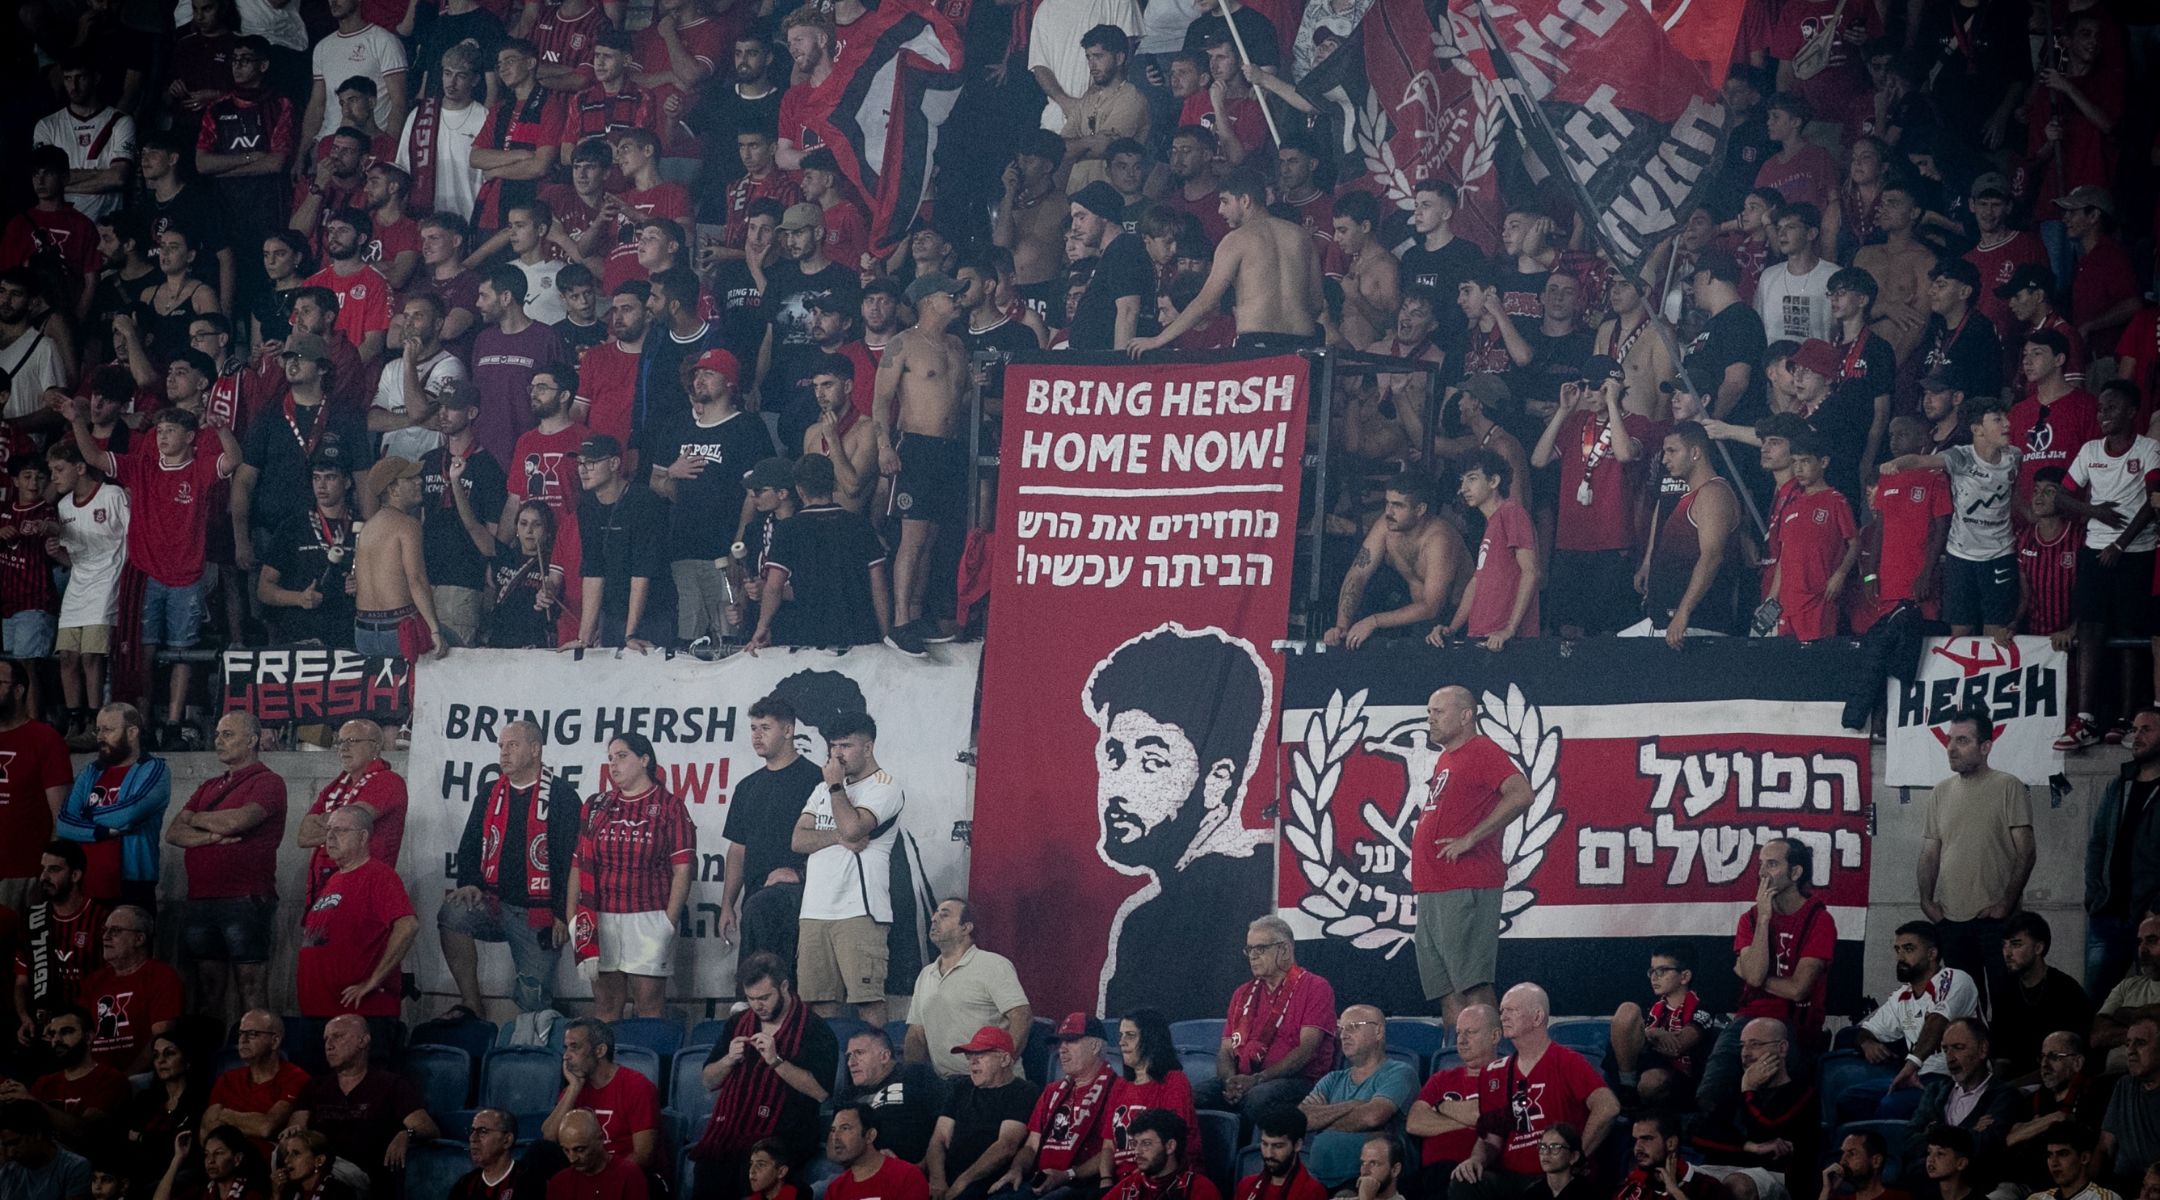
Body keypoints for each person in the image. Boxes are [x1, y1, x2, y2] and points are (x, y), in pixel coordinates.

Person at [1406, 685, 1530, 1031]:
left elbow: (1521, 794)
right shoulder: (1447, 757)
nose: (1430, 719)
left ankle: (1491, 1071)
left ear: (1466, 716)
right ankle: (1462, 1071)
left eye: (1438, 712)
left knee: (1472, 983)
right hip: (1435, 886)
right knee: (1446, 990)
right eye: (1429, 712)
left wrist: (1472, 837)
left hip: (1467, 881)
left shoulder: (1482, 750)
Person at [441, 718, 579, 1018]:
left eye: (512, 745)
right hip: (492, 903)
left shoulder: (562, 796)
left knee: (533, 1004)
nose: (503, 753)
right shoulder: (490, 792)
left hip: (537, 914)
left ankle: (545, 1031)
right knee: (452, 913)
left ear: (535, 749)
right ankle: (471, 1003)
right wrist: (470, 882)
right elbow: (470, 844)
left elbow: (571, 861)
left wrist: (561, 913)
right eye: (501, 746)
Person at [643, 347, 776, 649]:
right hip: (683, 548)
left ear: (730, 382)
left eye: (709, 373)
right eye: (697, 374)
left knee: (730, 630)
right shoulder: (677, 425)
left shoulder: (747, 427)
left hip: (725, 549)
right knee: (689, 635)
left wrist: (738, 546)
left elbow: (753, 493)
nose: (700, 379)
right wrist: (672, 474)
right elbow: (654, 481)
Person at [866, 274, 969, 654]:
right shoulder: (903, 343)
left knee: (931, 539)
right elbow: (880, 400)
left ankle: (916, 613)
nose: (959, 300)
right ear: (928, 301)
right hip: (916, 447)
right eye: (951, 294)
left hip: (949, 449)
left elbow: (964, 399)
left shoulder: (957, 346)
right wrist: (884, 447)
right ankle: (900, 622)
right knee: (912, 538)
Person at [1697, 839, 1834, 1115]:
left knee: (1771, 1096)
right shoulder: (1751, 918)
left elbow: (1797, 989)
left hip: (1793, 1021)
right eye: (1760, 864)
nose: (1761, 873)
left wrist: (1751, 975)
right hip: (1747, 1018)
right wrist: (1764, 918)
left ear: (1795, 873)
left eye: (1771, 864)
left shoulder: (1819, 920)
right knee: (1711, 1093)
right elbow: (1756, 973)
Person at [689, 953, 839, 1200]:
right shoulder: (738, 1022)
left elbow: (820, 1091)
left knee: (758, 1165)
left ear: (784, 986)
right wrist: (728, 1060)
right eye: (751, 999)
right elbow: (708, 1080)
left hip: (783, 1137)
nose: (758, 1006)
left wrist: (776, 1061)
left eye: (765, 998)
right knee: (708, 1168)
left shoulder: (815, 1030)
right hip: (731, 1132)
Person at [1449, 984, 1618, 1200]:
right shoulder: (1494, 1073)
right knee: (1464, 1182)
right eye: (1502, 1011)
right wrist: (1476, 1160)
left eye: (1512, 1010)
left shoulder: (1567, 1061)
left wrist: (1576, 1158)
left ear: (1537, 1017)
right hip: (1512, 1177)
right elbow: (1491, 1139)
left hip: (1555, 1178)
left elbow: (1608, 1107)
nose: (1503, 1017)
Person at [2059, 386, 2159, 751]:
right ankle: (2085, 718)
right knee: (2090, 628)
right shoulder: (2089, 451)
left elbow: (2154, 500)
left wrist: (2122, 543)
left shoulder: (2149, 449)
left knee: (2131, 631)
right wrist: (2094, 512)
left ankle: (2126, 717)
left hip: (2136, 552)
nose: (2103, 413)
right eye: (2100, 407)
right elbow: (2062, 494)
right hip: (2094, 551)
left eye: (2112, 407)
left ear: (2132, 410)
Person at [568, 733, 693, 1020]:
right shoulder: (596, 805)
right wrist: (575, 918)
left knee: (649, 1006)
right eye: (610, 758)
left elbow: (683, 870)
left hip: (649, 916)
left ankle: (645, 1064)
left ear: (644, 760)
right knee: (606, 1005)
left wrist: (668, 923)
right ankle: (607, 1062)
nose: (613, 764)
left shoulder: (670, 806)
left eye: (622, 756)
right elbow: (578, 864)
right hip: (601, 917)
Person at [792, 710, 904, 1026]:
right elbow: (798, 840)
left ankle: (875, 1072)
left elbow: (855, 829)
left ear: (868, 747)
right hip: (815, 909)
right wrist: (838, 835)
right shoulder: (822, 789)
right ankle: (831, 1071)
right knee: (820, 1004)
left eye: (846, 746)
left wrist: (837, 789)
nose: (837, 755)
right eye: (833, 747)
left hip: (860, 909)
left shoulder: (885, 785)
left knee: (867, 1002)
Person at [1878, 399, 2022, 642]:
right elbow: (1920, 461)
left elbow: (2014, 494)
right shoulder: (1961, 457)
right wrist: (1896, 464)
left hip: (2000, 553)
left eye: (2005, 418)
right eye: (1998, 420)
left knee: (1996, 631)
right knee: (1960, 631)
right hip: (1961, 556)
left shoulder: (2015, 457)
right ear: (1977, 429)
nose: (2007, 424)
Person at [1132, 170, 1322, 351]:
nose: (1220, 210)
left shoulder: (1236, 239)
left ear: (1245, 200)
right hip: (1303, 343)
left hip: (1258, 343)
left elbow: (1206, 301)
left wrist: (1159, 339)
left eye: (1225, 201)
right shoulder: (1301, 236)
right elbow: (1316, 303)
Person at [1920, 706, 2037, 999]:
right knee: (1964, 1008)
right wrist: (1926, 901)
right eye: (1949, 740)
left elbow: (2027, 852)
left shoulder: (2007, 785)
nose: (1951, 749)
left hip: (1996, 920)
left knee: (2007, 1003)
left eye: (1962, 741)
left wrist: (2005, 904)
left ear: (1985, 746)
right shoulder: (1940, 792)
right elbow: (1930, 853)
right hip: (1951, 919)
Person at [1531, 359, 1649, 637]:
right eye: (1584, 386)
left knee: (1607, 629)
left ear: (1615, 388)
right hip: (1571, 540)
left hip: (1612, 542)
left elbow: (1623, 454)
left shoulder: (1638, 424)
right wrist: (1562, 411)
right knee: (1568, 628)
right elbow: (1538, 459)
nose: (1588, 393)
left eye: (1597, 387)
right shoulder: (1575, 423)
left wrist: (1612, 405)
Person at [1825, 921, 1978, 1125]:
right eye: (1897, 950)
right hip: (1918, 1077)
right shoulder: (1902, 996)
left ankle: (1884, 1155)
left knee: (1891, 1105)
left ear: (1932, 953)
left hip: (1954, 1079)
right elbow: (1864, 1030)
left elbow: (1937, 1021)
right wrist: (1867, 1043)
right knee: (1850, 1099)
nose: (1900, 957)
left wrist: (1911, 1065)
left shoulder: (1954, 979)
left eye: (1909, 949)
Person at [746, 454, 891, 651]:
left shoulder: (789, 529)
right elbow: (878, 585)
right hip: (859, 632)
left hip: (809, 637)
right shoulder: (859, 525)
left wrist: (761, 627)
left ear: (799, 489)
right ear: (834, 484)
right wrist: (885, 634)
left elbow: (773, 587)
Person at [1196, 914, 1336, 1115]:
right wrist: (1230, 1082)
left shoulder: (1316, 987)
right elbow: (1226, 1051)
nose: (1253, 956)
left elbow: (1307, 1050)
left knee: (1258, 1096)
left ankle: (1250, 1147)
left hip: (1297, 1082)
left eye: (1260, 948)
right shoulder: (1242, 993)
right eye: (1249, 949)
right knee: (1192, 1095)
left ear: (1285, 949)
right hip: (1244, 1079)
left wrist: (1257, 1079)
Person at [719, 696, 819, 973]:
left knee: (787, 988)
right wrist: (727, 904)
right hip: (754, 900)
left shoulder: (816, 780)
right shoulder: (747, 787)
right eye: (753, 728)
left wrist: (801, 873)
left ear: (788, 731)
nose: (757, 736)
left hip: (801, 900)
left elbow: (835, 841)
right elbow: (738, 849)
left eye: (765, 727)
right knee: (754, 989)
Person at [298, 807, 417, 1035]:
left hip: (360, 1016)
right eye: (328, 830)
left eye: (341, 830)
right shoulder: (333, 880)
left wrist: (374, 980)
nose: (330, 837)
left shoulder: (378, 875)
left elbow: (408, 925)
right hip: (318, 1013)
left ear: (363, 837)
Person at [289, 1015, 439, 1197]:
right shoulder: (315, 1086)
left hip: (359, 1175)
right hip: (317, 1166)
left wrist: (405, 1134)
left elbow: (427, 1127)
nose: (329, 1045)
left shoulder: (390, 1084)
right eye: (326, 1039)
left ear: (363, 1041)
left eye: (338, 1036)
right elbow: (295, 1129)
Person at [44, 444, 128, 745]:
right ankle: (74, 720)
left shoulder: (112, 495)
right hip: (78, 586)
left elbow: (131, 539)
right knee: (67, 656)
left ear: (80, 467)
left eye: (59, 469)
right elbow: (75, 557)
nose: (53, 477)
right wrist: (57, 553)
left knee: (92, 656)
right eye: (51, 471)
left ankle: (96, 722)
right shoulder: (64, 506)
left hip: (108, 583)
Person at [1638, 422, 1748, 644]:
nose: (1664, 459)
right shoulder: (1692, 495)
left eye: (1672, 451)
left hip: (1695, 628)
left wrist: (1683, 612)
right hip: (1670, 624)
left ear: (1695, 452)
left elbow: (1712, 556)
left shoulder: (1713, 493)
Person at [1326, 476, 1464, 649]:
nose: (1389, 512)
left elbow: (1432, 606)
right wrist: (1341, 626)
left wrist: (1374, 621)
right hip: (1418, 621)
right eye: (1388, 503)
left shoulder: (1440, 539)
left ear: (1420, 509)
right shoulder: (1387, 526)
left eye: (1398, 505)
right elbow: (1358, 573)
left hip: (1454, 625)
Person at [54, 705, 170, 910]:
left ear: (132, 732)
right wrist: (103, 831)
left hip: (133, 883)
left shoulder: (154, 768)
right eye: (98, 730)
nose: (100, 737)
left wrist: (83, 817)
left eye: (108, 730)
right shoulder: (90, 771)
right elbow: (63, 824)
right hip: (87, 882)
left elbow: (130, 813)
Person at [994, 1014, 1118, 1198]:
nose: (1062, 1049)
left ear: (1095, 1046)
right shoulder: (1052, 1091)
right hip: (1038, 1182)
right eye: (1060, 1043)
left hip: (1081, 1184)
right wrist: (1017, 1169)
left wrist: (1068, 1175)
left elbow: (1114, 1149)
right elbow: (1031, 1146)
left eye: (1071, 1041)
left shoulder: (1118, 1089)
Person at [908, 900, 1032, 1079]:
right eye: (935, 914)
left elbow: (1022, 1016)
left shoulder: (993, 965)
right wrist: (912, 1079)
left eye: (944, 915)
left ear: (966, 928)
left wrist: (1001, 1066)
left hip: (994, 1084)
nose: (934, 919)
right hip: (947, 1086)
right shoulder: (925, 975)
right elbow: (916, 1034)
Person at [1295, 1005, 1417, 1187]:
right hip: (1317, 1182)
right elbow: (1300, 1118)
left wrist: (1321, 1120)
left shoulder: (1399, 1072)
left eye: (1353, 1026)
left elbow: (1372, 1117)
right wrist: (1352, 1104)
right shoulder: (1332, 1079)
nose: (1343, 1035)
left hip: (1368, 1183)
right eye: (1341, 1029)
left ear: (1378, 1031)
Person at [1693, 1018, 1816, 1198]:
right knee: (1678, 1177)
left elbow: (1766, 1128)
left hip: (1773, 1175)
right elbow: (1699, 1133)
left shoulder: (1802, 1094)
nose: (1746, 1053)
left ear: (1782, 1048)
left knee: (1737, 1185)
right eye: (1743, 1046)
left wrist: (1749, 1091)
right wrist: (1750, 1147)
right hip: (1721, 1168)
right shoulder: (1734, 1089)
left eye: (1755, 1045)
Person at [1434, 451, 1539, 648]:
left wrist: (1510, 628)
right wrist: (1452, 628)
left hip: (1507, 640)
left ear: (1494, 481)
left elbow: (1531, 572)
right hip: (1483, 635)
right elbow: (1476, 582)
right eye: (1462, 480)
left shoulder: (1512, 513)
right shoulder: (1492, 523)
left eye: (1472, 479)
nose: (1463, 488)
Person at [2089, 710, 2160, 995]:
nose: (2137, 736)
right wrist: (2093, 893)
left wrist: (2157, 906)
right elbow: (2097, 842)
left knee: (2152, 1000)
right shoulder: (2119, 785)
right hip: (2107, 912)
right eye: (2134, 729)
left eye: (2147, 729)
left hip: (2151, 916)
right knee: (2094, 1001)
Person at [299, 719, 407, 903]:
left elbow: (349, 823)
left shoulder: (388, 781)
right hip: (324, 887)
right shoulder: (334, 787)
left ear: (375, 747)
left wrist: (330, 822)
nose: (343, 748)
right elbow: (304, 836)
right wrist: (339, 827)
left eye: (352, 741)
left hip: (363, 890)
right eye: (340, 742)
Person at [925, 1028, 1037, 1200]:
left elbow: (1006, 1146)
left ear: (1005, 1059)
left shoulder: (1023, 1091)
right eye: (969, 1056)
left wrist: (963, 1181)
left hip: (985, 1183)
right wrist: (937, 1180)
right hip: (945, 1178)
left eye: (981, 1055)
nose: (972, 1062)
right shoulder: (961, 1087)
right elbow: (939, 1137)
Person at [1770, 431, 1859, 642]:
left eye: (1805, 461)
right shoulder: (1791, 504)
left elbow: (1854, 543)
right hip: (1788, 601)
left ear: (1824, 462)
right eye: (1794, 462)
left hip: (1819, 598)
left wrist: (1840, 575)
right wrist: (1772, 598)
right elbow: (1784, 556)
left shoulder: (1836, 501)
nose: (1798, 468)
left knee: (1816, 658)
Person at [72, 905, 181, 1074]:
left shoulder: (161, 975)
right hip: (97, 1078)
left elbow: (160, 1038)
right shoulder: (95, 980)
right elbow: (78, 1031)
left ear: (139, 939)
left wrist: (125, 1078)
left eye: (115, 931)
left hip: (143, 1076)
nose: (105, 937)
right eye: (105, 930)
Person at [0, 659, 72, 910]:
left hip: (24, 876)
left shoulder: (45, 740)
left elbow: (61, 816)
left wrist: (48, 872)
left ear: (18, 691)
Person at [542, 1019, 659, 1169]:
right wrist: (573, 1089)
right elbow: (549, 1138)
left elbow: (643, 1154)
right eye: (565, 1048)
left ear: (600, 1051)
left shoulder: (636, 1086)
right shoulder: (576, 1086)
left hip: (623, 1174)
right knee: (540, 1152)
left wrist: (602, 1178)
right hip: (584, 1170)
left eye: (574, 1047)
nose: (566, 1056)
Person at [1608, 945, 1717, 1106]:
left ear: (1684, 976)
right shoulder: (1650, 1005)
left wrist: (1648, 1035)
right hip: (1642, 1068)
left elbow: (1677, 1046)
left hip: (1680, 1079)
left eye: (1662, 971)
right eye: (1652, 971)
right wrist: (1653, 1032)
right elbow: (1625, 1034)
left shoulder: (1702, 1007)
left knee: (1651, 1080)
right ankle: (1627, 1086)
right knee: (1627, 1009)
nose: (1654, 977)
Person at [1907, 1018, 2019, 1173]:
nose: (1950, 1058)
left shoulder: (2004, 1096)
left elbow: (1985, 1146)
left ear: (1982, 1050)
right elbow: (1909, 1141)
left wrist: (1932, 1133)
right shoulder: (1934, 1091)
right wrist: (1970, 1132)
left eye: (1958, 1048)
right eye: (1945, 1050)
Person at [1100, 1011, 1199, 1182]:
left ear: (1151, 1040)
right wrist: (1106, 1181)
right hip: (1118, 1183)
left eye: (1130, 1035)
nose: (1121, 1042)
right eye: (1121, 1035)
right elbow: (1108, 1146)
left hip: (1159, 1182)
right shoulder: (1119, 1086)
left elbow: (1173, 1145)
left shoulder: (1174, 1081)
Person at [203, 1009, 311, 1163]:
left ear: (275, 1041)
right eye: (241, 1033)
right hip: (220, 1163)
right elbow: (205, 1132)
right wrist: (250, 1124)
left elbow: (265, 1127)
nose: (243, 1040)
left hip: (263, 1164)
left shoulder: (295, 1077)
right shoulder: (227, 1078)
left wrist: (225, 1115)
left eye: (252, 1034)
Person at [1408, 1002, 1501, 1182]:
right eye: (1458, 1033)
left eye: (1470, 1032)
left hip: (1474, 1174)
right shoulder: (1441, 1078)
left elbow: (1488, 1116)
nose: (1461, 1040)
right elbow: (1414, 1122)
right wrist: (1472, 1124)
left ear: (1495, 1036)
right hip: (1429, 1173)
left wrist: (1440, 1107)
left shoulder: (1505, 1076)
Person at [1995, 915, 2095, 1079]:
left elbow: (2075, 1053)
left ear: (2038, 948)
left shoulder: (2066, 990)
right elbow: (2001, 1051)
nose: (2007, 953)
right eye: (2004, 945)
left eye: (2016, 944)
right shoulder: (2006, 990)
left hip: (2058, 1078)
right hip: (2015, 1084)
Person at [832, 1026, 942, 1164]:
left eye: (859, 1053)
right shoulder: (847, 1096)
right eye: (849, 1056)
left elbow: (944, 1126)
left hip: (918, 1169)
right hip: (863, 1171)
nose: (850, 1063)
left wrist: (925, 1166)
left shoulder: (917, 1075)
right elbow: (835, 1146)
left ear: (884, 1056)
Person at [1104, 1109, 1217, 1200]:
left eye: (1146, 1143)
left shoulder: (1198, 1189)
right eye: (1135, 1143)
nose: (1137, 1151)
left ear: (1170, 1146)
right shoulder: (1129, 1186)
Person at [1612, 1112, 1726, 1200]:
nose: (1637, 1148)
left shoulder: (1707, 1187)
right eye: (1635, 1140)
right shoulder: (1631, 1187)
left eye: (1646, 1139)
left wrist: (1676, 1193)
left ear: (1671, 1143)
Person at [2094, 917, 2160, 1067]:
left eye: (2152, 940)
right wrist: (2148, 1035)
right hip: (2116, 1078)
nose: (2142, 949)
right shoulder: (2127, 986)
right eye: (2139, 942)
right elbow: (2098, 1036)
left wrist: (2125, 1014)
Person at [548, 1109, 648, 1200]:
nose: (572, 1159)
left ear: (600, 1139)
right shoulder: (559, 1183)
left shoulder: (628, 1175)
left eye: (580, 1150)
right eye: (566, 1150)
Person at [0, 1100, 92, 1198]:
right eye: (6, 1145)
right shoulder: (9, 1169)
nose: (10, 1153)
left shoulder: (73, 1167)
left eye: (15, 1143)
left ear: (37, 1134)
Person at [1232, 1107, 1326, 1200]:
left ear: (1297, 1145)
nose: (1269, 1154)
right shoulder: (1246, 1186)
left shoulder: (1313, 1193)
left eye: (1278, 1146)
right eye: (1264, 1144)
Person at [451, 1109, 545, 1200]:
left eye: (483, 1131)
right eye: (472, 1131)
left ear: (507, 1140)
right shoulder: (465, 1184)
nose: (472, 1138)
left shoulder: (529, 1181)